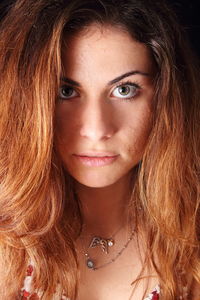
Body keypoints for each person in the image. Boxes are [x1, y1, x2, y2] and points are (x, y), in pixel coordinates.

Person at [0, 0, 199, 299]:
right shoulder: (7, 244)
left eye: (124, 89)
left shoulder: (191, 242)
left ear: (165, 98)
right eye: (65, 91)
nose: (96, 129)